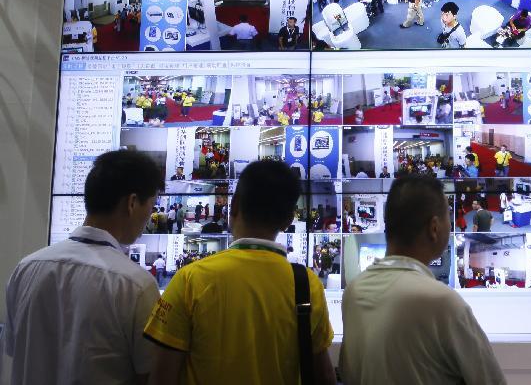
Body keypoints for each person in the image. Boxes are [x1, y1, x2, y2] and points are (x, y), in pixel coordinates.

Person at [144, 160, 336, 385]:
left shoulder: (190, 279)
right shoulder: (307, 284)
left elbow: (162, 376)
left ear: (234, 207)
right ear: (287, 220)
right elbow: (323, 375)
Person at [3, 151, 163, 385]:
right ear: (131, 203)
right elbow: (147, 375)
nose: (150, 216)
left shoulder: (25, 269)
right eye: (151, 206)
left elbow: (13, 352)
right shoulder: (136, 285)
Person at [339, 175, 505, 385]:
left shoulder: (353, 292)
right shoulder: (443, 302)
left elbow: (348, 373)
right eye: (448, 216)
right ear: (434, 228)